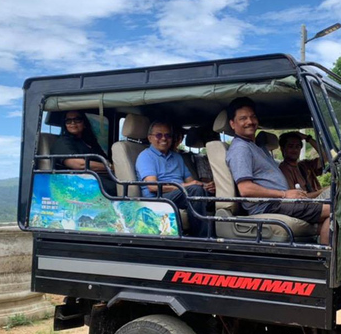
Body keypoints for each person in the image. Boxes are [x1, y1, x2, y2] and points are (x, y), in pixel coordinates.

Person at [225, 97, 331, 245]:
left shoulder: (257, 148)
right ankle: (326, 261)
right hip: (270, 205)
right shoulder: (240, 148)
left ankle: (326, 261)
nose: (250, 121)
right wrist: (284, 194)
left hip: (279, 203)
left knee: (332, 216)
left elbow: (327, 157)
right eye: (243, 118)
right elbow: (245, 189)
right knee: (335, 209)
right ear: (232, 124)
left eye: (253, 116)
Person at [135, 121, 214, 237]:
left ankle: (218, 231)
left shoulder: (177, 157)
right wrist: (188, 186)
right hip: (158, 198)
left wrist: (206, 186)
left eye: (168, 135)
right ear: (150, 138)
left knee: (208, 191)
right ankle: (201, 238)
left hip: (179, 193)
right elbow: (153, 187)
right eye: (159, 135)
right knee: (195, 191)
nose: (164, 138)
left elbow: (190, 181)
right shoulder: (146, 156)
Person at [50, 110, 117, 194]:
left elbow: (103, 159)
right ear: (64, 125)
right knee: (116, 188)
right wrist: (110, 167)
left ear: (84, 123)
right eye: (68, 121)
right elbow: (79, 164)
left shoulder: (89, 142)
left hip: (96, 177)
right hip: (77, 182)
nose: (73, 123)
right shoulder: (62, 142)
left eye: (77, 119)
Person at [278, 131, 325, 198]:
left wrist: (307, 138)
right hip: (306, 205)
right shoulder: (284, 170)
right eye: (290, 146)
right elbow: (295, 198)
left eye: (297, 146)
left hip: (318, 200)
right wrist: (321, 191)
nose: (295, 150)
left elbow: (326, 155)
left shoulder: (304, 165)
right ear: (282, 149)